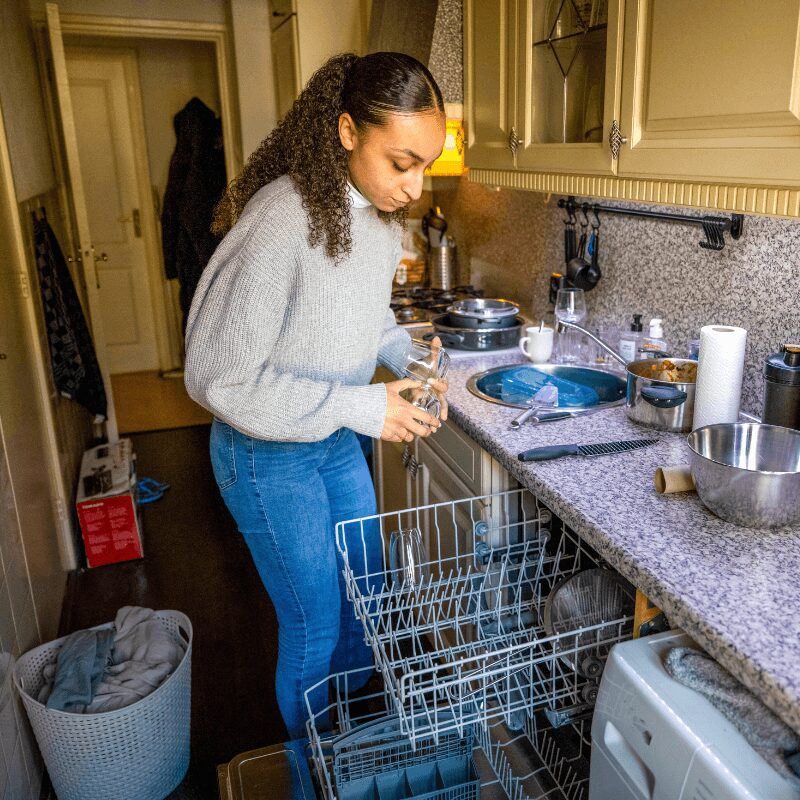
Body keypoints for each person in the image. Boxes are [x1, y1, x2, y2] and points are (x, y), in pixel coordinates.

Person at [184, 52, 449, 739]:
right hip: (265, 452)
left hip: (330, 441)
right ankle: (316, 773)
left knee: (368, 597)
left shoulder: (378, 222)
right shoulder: (283, 220)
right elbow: (221, 380)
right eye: (403, 162)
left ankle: (352, 744)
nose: (415, 186)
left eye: (426, 164)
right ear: (346, 131)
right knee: (315, 622)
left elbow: (363, 320)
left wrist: (407, 353)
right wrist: (366, 407)